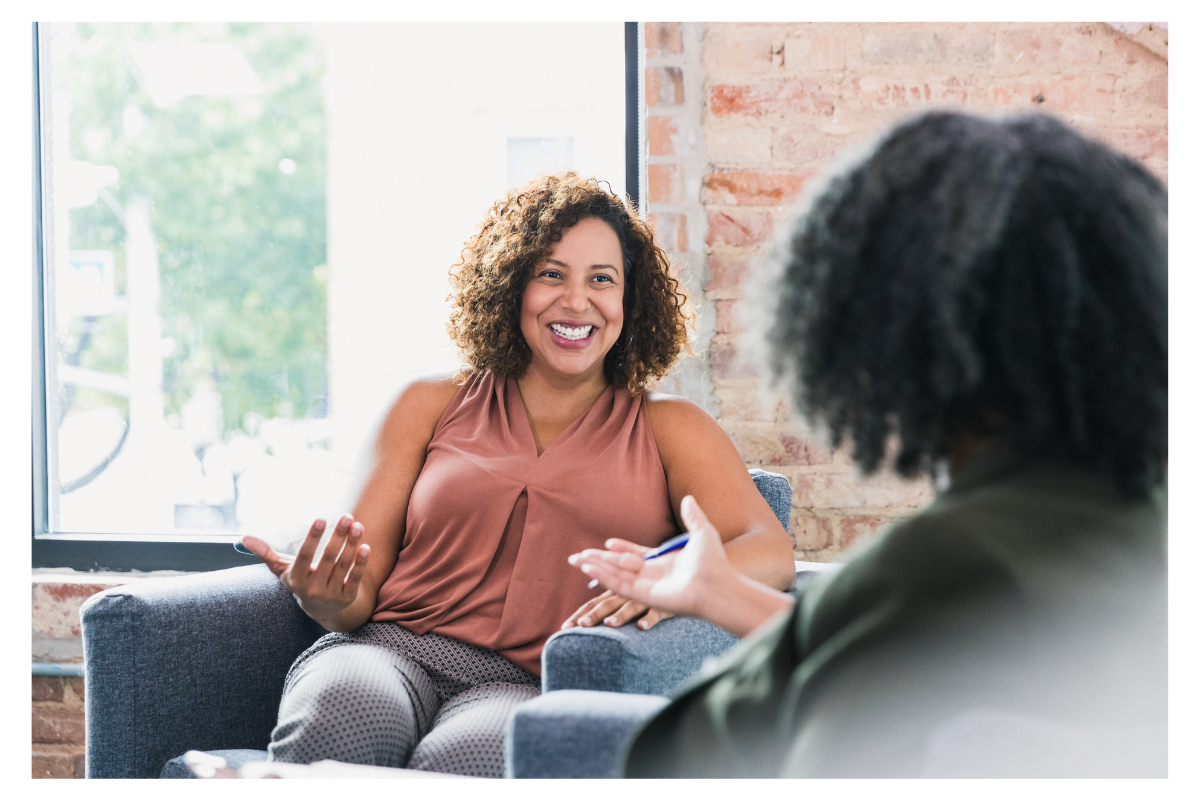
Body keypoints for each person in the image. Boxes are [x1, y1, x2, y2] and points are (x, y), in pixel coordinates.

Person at [570, 111, 1167, 778]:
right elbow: (890, 651)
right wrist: (719, 592)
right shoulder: (1143, 519)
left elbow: (679, 757)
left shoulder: (943, 565)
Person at [240, 173, 797, 777]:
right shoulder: (427, 404)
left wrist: (676, 575)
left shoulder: (672, 428)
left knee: (470, 756)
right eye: (551, 274)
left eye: (602, 280)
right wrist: (327, 597)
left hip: (526, 683)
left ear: (630, 301)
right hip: (386, 651)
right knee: (342, 710)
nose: (576, 301)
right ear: (512, 285)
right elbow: (357, 594)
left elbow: (770, 552)